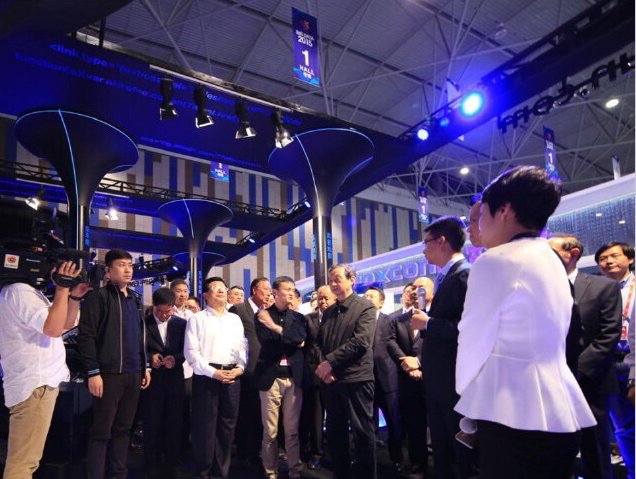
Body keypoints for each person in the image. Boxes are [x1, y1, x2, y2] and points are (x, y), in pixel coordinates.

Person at [455, 166, 596, 479]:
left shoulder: (494, 261)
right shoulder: (550, 258)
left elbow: (473, 341)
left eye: (483, 215)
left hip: (510, 408)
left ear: (504, 211)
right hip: (560, 405)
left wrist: (467, 398)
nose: (479, 224)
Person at [0, 260, 90, 479]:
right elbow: (53, 328)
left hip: (38, 384)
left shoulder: (28, 292)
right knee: (23, 464)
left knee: (27, 461)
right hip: (34, 385)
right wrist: (62, 288)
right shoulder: (20, 291)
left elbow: (64, 324)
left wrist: (74, 297)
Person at [549, 234, 622, 479]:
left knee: (594, 451)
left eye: (552, 252)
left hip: (590, 382)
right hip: (549, 382)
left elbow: (608, 335)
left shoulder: (603, 286)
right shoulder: (541, 289)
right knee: (557, 452)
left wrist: (572, 371)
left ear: (573, 254)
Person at [408, 217, 477, 479]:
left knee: (462, 453)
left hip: (455, 381)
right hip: (440, 379)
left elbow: (470, 328)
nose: (424, 250)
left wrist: (429, 323)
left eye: (426, 243)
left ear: (442, 242)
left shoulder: (464, 274)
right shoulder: (446, 276)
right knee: (442, 449)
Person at [78, 249, 151, 479]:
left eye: (130, 265)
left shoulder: (135, 299)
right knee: (101, 431)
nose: (128, 269)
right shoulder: (97, 297)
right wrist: (93, 372)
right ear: (108, 270)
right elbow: (86, 336)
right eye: (121, 265)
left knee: (124, 429)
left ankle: (119, 474)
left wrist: (146, 367)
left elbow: (141, 335)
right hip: (107, 374)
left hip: (133, 373)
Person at [316, 264, 377, 479]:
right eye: (330, 280)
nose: (333, 284)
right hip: (332, 381)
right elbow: (320, 343)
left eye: (337, 279)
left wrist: (329, 363)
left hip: (357, 378)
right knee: (335, 433)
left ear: (352, 280)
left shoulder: (365, 307)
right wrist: (325, 366)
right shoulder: (329, 311)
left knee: (362, 434)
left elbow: (361, 342)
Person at [185, 277, 246, 479]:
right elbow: (191, 353)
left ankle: (221, 472)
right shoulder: (197, 319)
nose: (221, 290)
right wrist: (213, 373)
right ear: (205, 295)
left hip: (232, 376)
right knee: (205, 426)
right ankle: (203, 472)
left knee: (227, 426)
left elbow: (242, 347)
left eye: (223, 288)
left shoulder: (234, 319)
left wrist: (240, 368)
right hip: (207, 377)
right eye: (216, 288)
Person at [254, 276, 307, 479]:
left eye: (293, 289)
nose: (291, 292)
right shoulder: (262, 315)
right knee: (270, 431)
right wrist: (289, 339)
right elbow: (269, 345)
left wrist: (275, 328)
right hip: (270, 378)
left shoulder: (299, 318)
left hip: (294, 379)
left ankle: (295, 471)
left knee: (292, 430)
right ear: (275, 292)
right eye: (287, 289)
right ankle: (270, 471)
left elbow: (300, 340)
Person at [595, 241, 636, 479]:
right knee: (623, 428)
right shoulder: (596, 291)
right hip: (610, 364)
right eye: (603, 259)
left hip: (633, 359)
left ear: (630, 259)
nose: (608, 261)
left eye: (614, 256)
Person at [387, 276, 432, 479]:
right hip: (408, 381)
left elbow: (442, 344)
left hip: (433, 380)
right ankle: (417, 468)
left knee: (441, 428)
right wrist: (407, 364)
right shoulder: (399, 320)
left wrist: (419, 362)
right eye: (413, 288)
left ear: (432, 291)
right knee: (414, 429)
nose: (415, 291)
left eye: (421, 288)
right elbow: (390, 343)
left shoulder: (438, 317)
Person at [143, 288, 187, 479]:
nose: (164, 315)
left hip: (175, 380)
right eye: (161, 311)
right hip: (152, 381)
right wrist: (150, 357)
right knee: (152, 423)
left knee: (175, 423)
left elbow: (188, 350)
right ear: (154, 306)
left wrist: (175, 359)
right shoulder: (143, 323)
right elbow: (138, 348)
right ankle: (150, 464)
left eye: (168, 311)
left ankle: (173, 463)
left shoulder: (181, 324)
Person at [229, 277, 272, 470]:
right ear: (254, 290)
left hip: (265, 372)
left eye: (270, 290)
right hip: (245, 372)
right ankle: (244, 453)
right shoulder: (238, 310)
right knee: (245, 415)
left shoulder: (268, 312)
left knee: (260, 415)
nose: (269, 293)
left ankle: (256, 452)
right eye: (266, 289)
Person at [365, 286, 403, 472]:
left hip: (387, 379)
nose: (367, 298)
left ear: (381, 302)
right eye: (365, 296)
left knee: (393, 421)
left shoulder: (390, 320)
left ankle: (397, 459)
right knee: (367, 423)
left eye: (371, 296)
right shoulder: (359, 322)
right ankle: (368, 460)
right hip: (365, 379)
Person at [301, 285, 335, 470]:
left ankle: (339, 453)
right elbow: (308, 347)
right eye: (320, 298)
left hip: (336, 374)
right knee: (315, 417)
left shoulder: (340, 317)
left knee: (337, 416)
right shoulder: (308, 319)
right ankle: (316, 453)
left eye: (326, 298)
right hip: (314, 375)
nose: (322, 301)